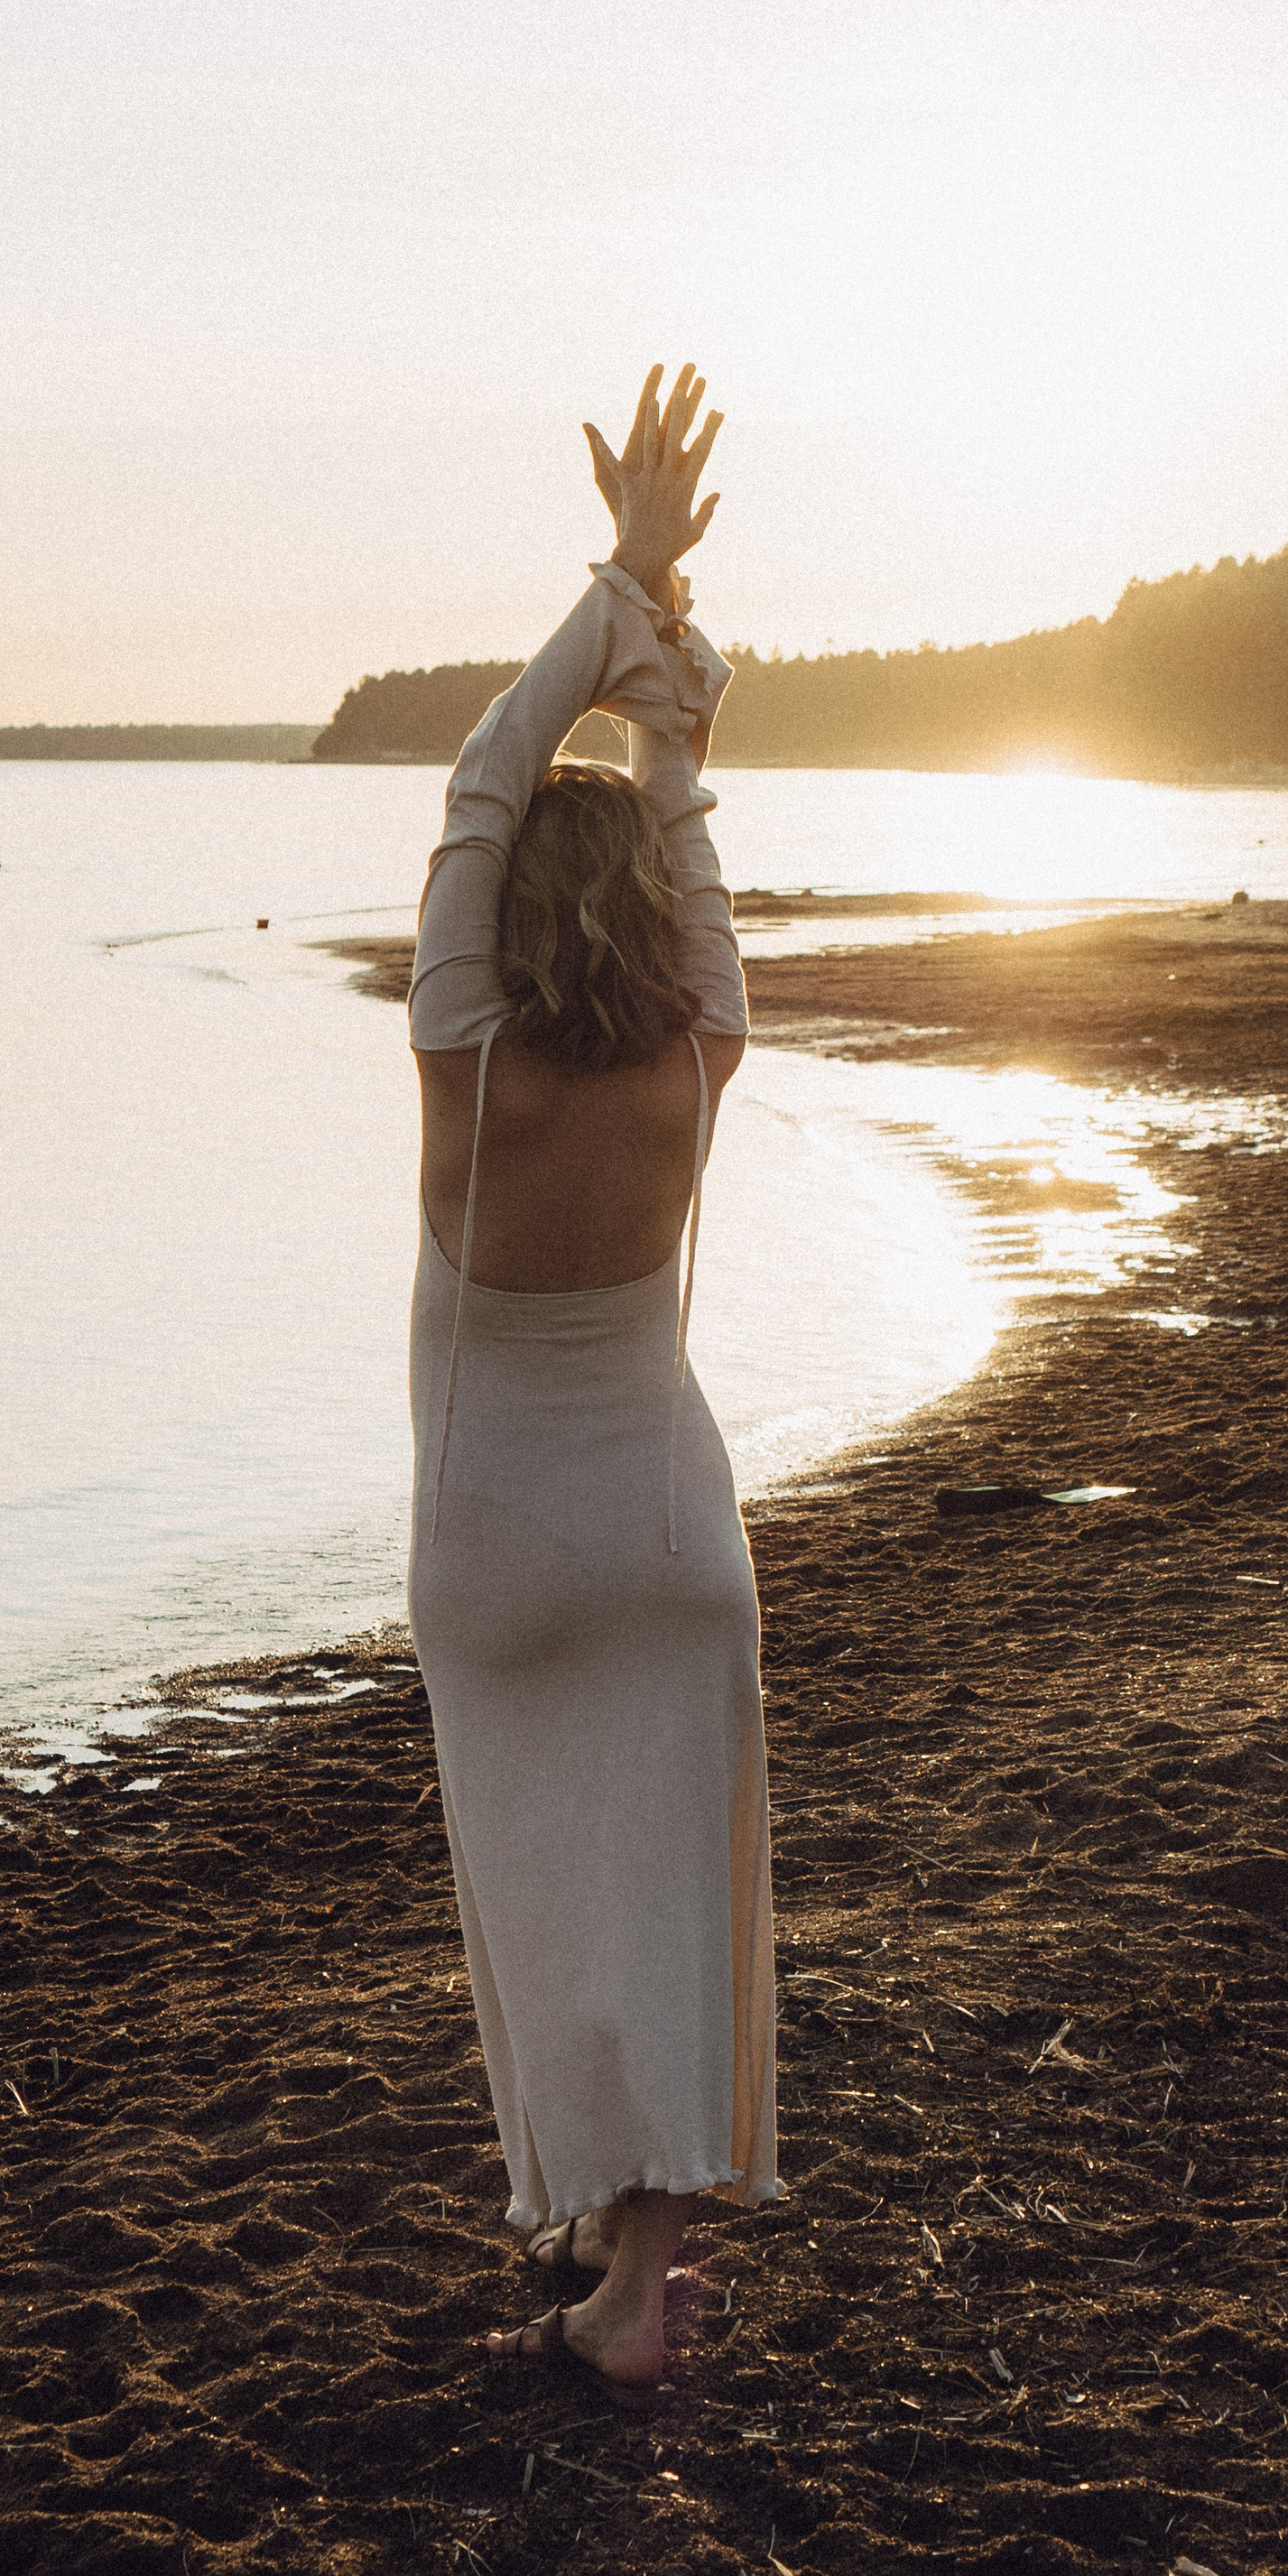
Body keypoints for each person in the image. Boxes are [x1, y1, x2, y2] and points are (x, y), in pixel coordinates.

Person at [406, 364, 772, 2392]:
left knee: (544, 1885)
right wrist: (673, 740)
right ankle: (647, 2282)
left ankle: (607, 2267)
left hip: (492, 1549)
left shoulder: (464, 1070)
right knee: (665, 1896)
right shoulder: (696, 1060)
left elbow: (482, 775)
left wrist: (616, 594)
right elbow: (675, 855)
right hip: (663, 1534)